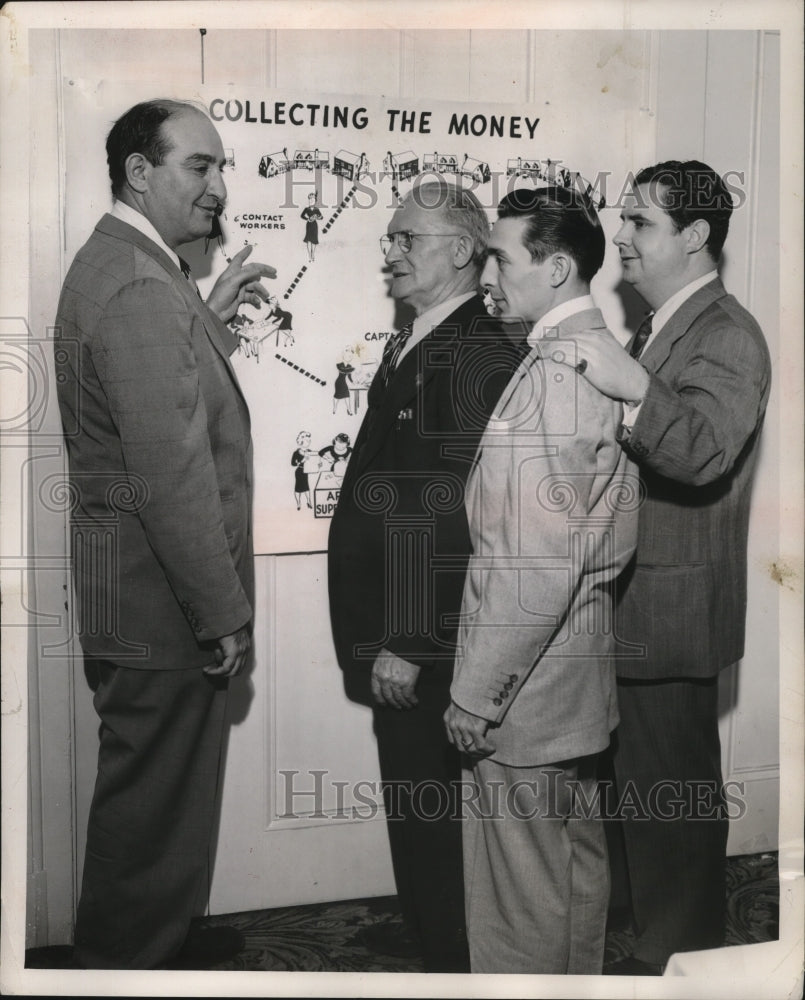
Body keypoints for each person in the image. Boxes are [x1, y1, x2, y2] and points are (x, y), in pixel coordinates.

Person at [54, 98, 276, 969]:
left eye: (222, 168)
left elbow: (156, 390)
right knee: (152, 810)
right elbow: (172, 476)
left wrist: (206, 310)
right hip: (163, 605)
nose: (219, 187)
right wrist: (220, 613)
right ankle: (127, 969)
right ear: (139, 172)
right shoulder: (144, 284)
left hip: (133, 596)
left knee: (152, 801)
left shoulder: (126, 267)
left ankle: (144, 952)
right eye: (199, 166)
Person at [567, 160, 771, 975]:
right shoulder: (662, 327)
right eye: (623, 221)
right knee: (638, 794)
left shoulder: (727, 333)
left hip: (670, 612)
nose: (620, 238)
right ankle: (650, 943)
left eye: (640, 224)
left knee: (671, 804)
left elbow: (702, 453)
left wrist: (629, 388)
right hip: (632, 601)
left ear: (694, 236)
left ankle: (681, 965)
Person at [327, 181, 524, 972]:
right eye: (391, 238)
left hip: (423, 643)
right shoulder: (422, 336)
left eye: (407, 238)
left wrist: (409, 639)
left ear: (461, 252)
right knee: (422, 814)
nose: (392, 252)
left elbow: (449, 511)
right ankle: (442, 953)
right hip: (400, 634)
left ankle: (451, 968)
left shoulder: (475, 348)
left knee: (432, 820)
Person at [443, 187, 638, 974]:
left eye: (499, 254)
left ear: (556, 267)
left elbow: (532, 561)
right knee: (573, 874)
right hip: (572, 681)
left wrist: (476, 692)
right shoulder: (587, 359)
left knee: (519, 901)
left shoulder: (558, 375)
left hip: (524, 690)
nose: (486, 271)